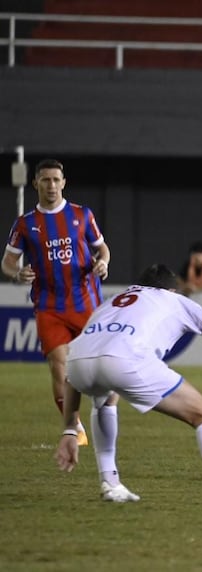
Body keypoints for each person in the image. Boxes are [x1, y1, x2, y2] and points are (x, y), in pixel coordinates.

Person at [54, 264, 202, 504]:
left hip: (77, 363)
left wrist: (70, 428)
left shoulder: (111, 303)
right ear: (172, 290)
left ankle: (110, 482)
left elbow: (75, 370)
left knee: (106, 400)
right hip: (125, 360)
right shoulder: (175, 300)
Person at [2, 158, 111, 447]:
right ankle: (74, 426)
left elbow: (103, 249)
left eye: (56, 180)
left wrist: (103, 264)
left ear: (63, 183)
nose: (51, 185)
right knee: (59, 366)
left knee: (99, 366)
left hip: (85, 301)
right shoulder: (25, 224)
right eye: (46, 180)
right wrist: (17, 274)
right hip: (49, 305)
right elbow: (8, 263)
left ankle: (103, 409)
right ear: (35, 183)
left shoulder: (81, 215)